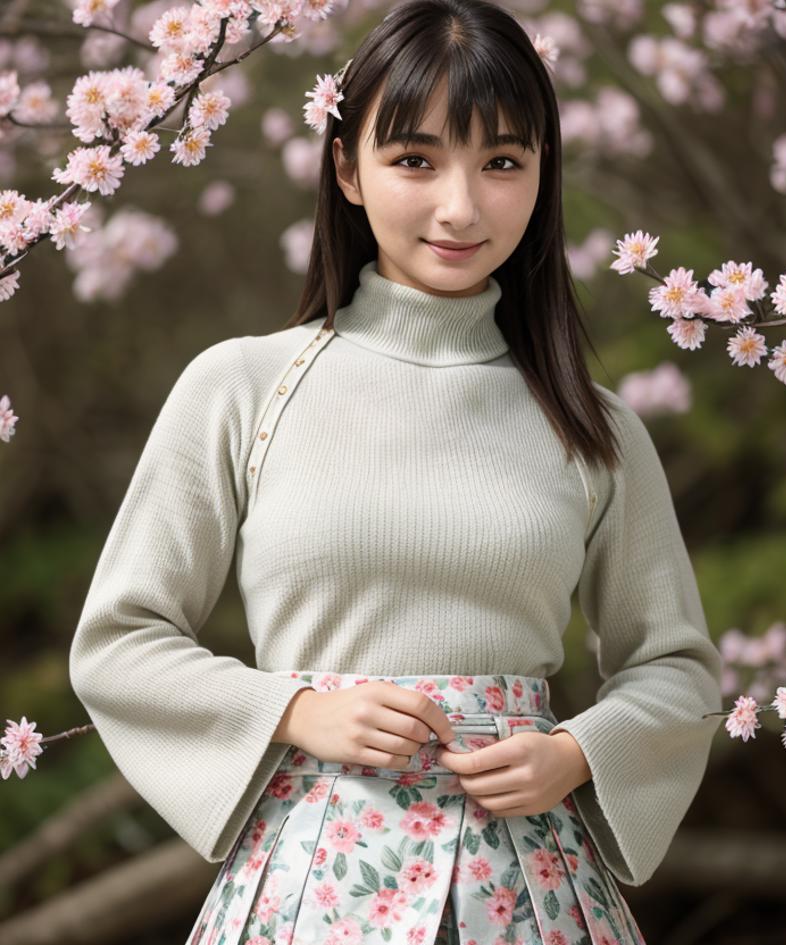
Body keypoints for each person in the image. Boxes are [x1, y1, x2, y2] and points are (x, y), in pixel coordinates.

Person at [68, 0, 724, 943]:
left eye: (502, 162)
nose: (460, 206)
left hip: (532, 892)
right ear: (346, 168)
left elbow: (675, 665)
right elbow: (120, 640)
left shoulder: (594, 425)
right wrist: (294, 710)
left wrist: (579, 751)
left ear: (543, 176)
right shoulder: (243, 387)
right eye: (415, 159)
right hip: (305, 888)